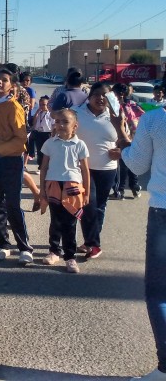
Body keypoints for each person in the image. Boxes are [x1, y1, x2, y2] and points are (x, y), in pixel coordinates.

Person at [121, 104, 166, 380]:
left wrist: (125, 144)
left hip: (164, 211)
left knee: (160, 293)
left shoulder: (155, 119)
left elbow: (137, 164)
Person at [0, 69, 35, 264]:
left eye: (4, 80)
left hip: (11, 160)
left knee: (12, 205)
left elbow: (20, 142)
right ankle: (3, 244)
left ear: (12, 85)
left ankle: (25, 247)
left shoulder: (14, 107)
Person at [74, 83, 127, 260]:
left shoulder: (116, 116)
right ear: (89, 97)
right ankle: (94, 244)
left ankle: (90, 240)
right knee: (88, 204)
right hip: (83, 168)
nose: (100, 98)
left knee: (99, 206)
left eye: (104, 95)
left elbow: (125, 139)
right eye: (96, 94)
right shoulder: (77, 113)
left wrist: (120, 151)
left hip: (107, 168)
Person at [39, 109, 90, 274]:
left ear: (75, 126)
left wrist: (87, 193)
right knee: (55, 221)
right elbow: (44, 167)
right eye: (58, 121)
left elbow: (85, 171)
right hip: (53, 185)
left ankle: (70, 257)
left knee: (70, 223)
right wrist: (42, 191)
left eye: (65, 122)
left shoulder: (80, 145)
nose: (60, 125)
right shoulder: (49, 143)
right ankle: (54, 251)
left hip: (73, 188)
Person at [29, 96, 53, 170]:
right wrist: (37, 112)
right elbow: (33, 122)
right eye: (40, 105)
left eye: (44, 104)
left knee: (46, 151)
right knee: (39, 150)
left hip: (47, 133)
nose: (42, 106)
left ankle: (47, 166)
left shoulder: (50, 114)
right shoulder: (39, 113)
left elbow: (53, 125)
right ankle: (40, 166)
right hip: (39, 133)